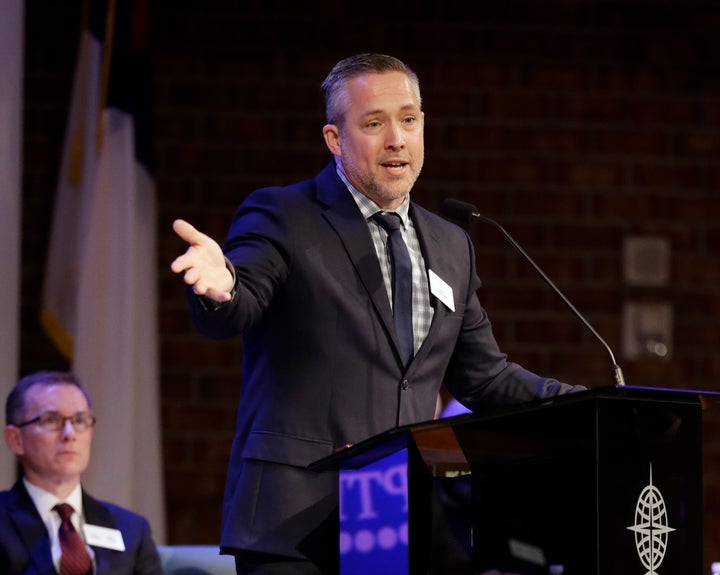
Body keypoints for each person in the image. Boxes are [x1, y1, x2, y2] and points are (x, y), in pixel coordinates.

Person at [170, 52, 587, 574]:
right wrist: (221, 286)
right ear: (334, 139)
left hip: (400, 524)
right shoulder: (284, 215)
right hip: (295, 526)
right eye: (374, 123)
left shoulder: (450, 242)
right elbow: (238, 304)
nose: (397, 139)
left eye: (409, 120)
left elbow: (484, 377)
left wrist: (586, 404)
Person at [0, 370, 163, 575]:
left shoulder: (131, 529)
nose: (69, 434)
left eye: (79, 421)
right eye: (51, 420)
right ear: (16, 439)